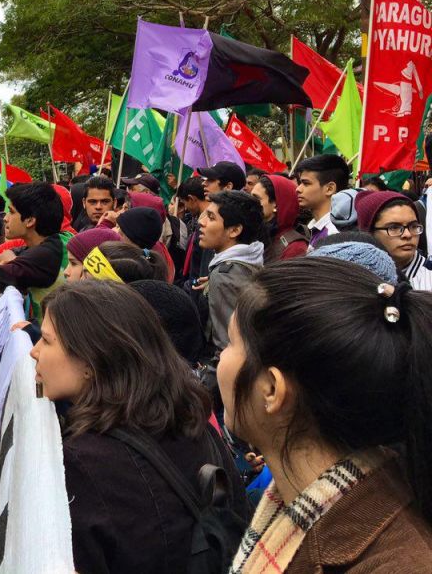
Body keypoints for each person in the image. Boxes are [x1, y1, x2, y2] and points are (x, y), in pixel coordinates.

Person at [219, 258, 432, 573]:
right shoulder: (298, 502)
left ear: (272, 389)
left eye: (231, 343)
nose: (221, 357)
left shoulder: (395, 562)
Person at [33, 280, 247, 573]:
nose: (34, 351)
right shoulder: (193, 419)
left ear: (90, 360)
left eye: (45, 340)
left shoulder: (84, 463)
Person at [0, 182, 65, 313]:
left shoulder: (39, 257)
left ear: (30, 221)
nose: (5, 218)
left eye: (11, 211)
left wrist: (11, 261)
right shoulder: (56, 241)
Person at [195, 190, 265, 354]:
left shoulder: (225, 277)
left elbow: (229, 346)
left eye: (211, 218)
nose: (201, 222)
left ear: (234, 230)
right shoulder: (250, 259)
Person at [356, 190, 432, 289]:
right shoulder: (356, 279)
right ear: (369, 233)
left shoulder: (429, 275)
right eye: (394, 227)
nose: (407, 234)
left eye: (413, 226)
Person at [295, 154, 350, 247]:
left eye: (306, 183)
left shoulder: (334, 235)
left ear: (329, 189)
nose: (298, 189)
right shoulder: (315, 228)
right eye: (300, 183)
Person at [252, 174, 307, 263]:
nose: (250, 202)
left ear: (276, 205)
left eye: (256, 199)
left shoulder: (295, 248)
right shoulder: (255, 234)